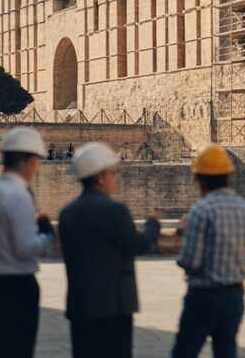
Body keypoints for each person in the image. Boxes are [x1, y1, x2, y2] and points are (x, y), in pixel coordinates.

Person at [59, 142, 163, 357]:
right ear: (99, 177)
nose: (116, 179)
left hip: (82, 306)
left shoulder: (67, 213)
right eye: (113, 173)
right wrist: (153, 224)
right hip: (114, 306)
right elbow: (138, 245)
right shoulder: (115, 210)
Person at [0, 127, 55, 358]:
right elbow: (25, 248)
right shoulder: (19, 195)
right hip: (17, 289)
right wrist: (47, 234)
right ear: (30, 161)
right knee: (19, 350)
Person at [170, 145, 245, 358]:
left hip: (204, 296)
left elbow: (191, 261)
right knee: (226, 352)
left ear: (199, 179)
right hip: (235, 295)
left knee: (184, 352)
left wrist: (185, 235)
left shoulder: (201, 210)